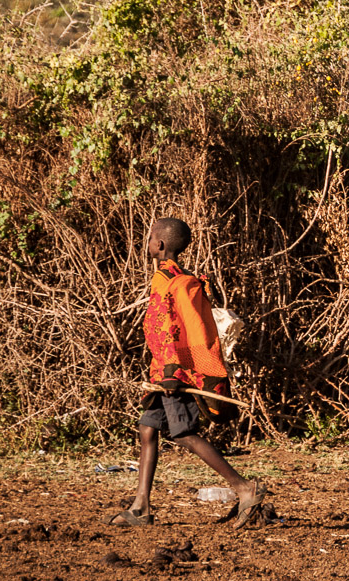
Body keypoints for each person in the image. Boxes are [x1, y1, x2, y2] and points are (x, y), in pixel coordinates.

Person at [107, 217, 267, 528]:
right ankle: (140, 507)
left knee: (183, 434)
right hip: (161, 372)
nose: (148, 242)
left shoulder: (181, 285)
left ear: (161, 245)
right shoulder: (164, 280)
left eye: (151, 237)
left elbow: (185, 332)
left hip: (173, 374)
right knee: (148, 429)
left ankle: (245, 488)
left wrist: (171, 372)